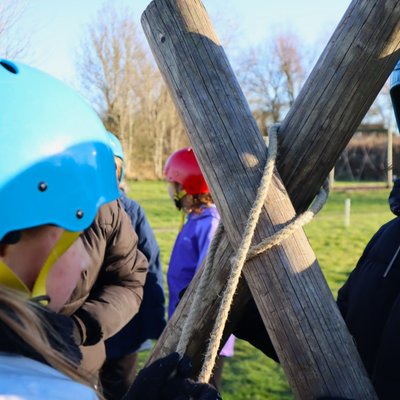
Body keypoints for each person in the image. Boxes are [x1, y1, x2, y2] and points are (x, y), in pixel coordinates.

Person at [0, 59, 220, 399]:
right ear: (7, 248)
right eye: (72, 236)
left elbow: (134, 276)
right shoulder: (41, 389)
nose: (84, 258)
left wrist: (77, 329)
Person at [100, 132, 166, 400]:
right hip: (92, 332)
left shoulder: (131, 211)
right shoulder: (72, 211)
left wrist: (153, 326)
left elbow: (148, 267)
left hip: (121, 330)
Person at [164, 147, 236, 389]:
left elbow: (208, 284)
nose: (171, 191)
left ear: (190, 187)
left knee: (202, 390)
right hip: (186, 329)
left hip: (203, 335)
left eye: (175, 185)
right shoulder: (196, 219)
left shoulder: (210, 225)